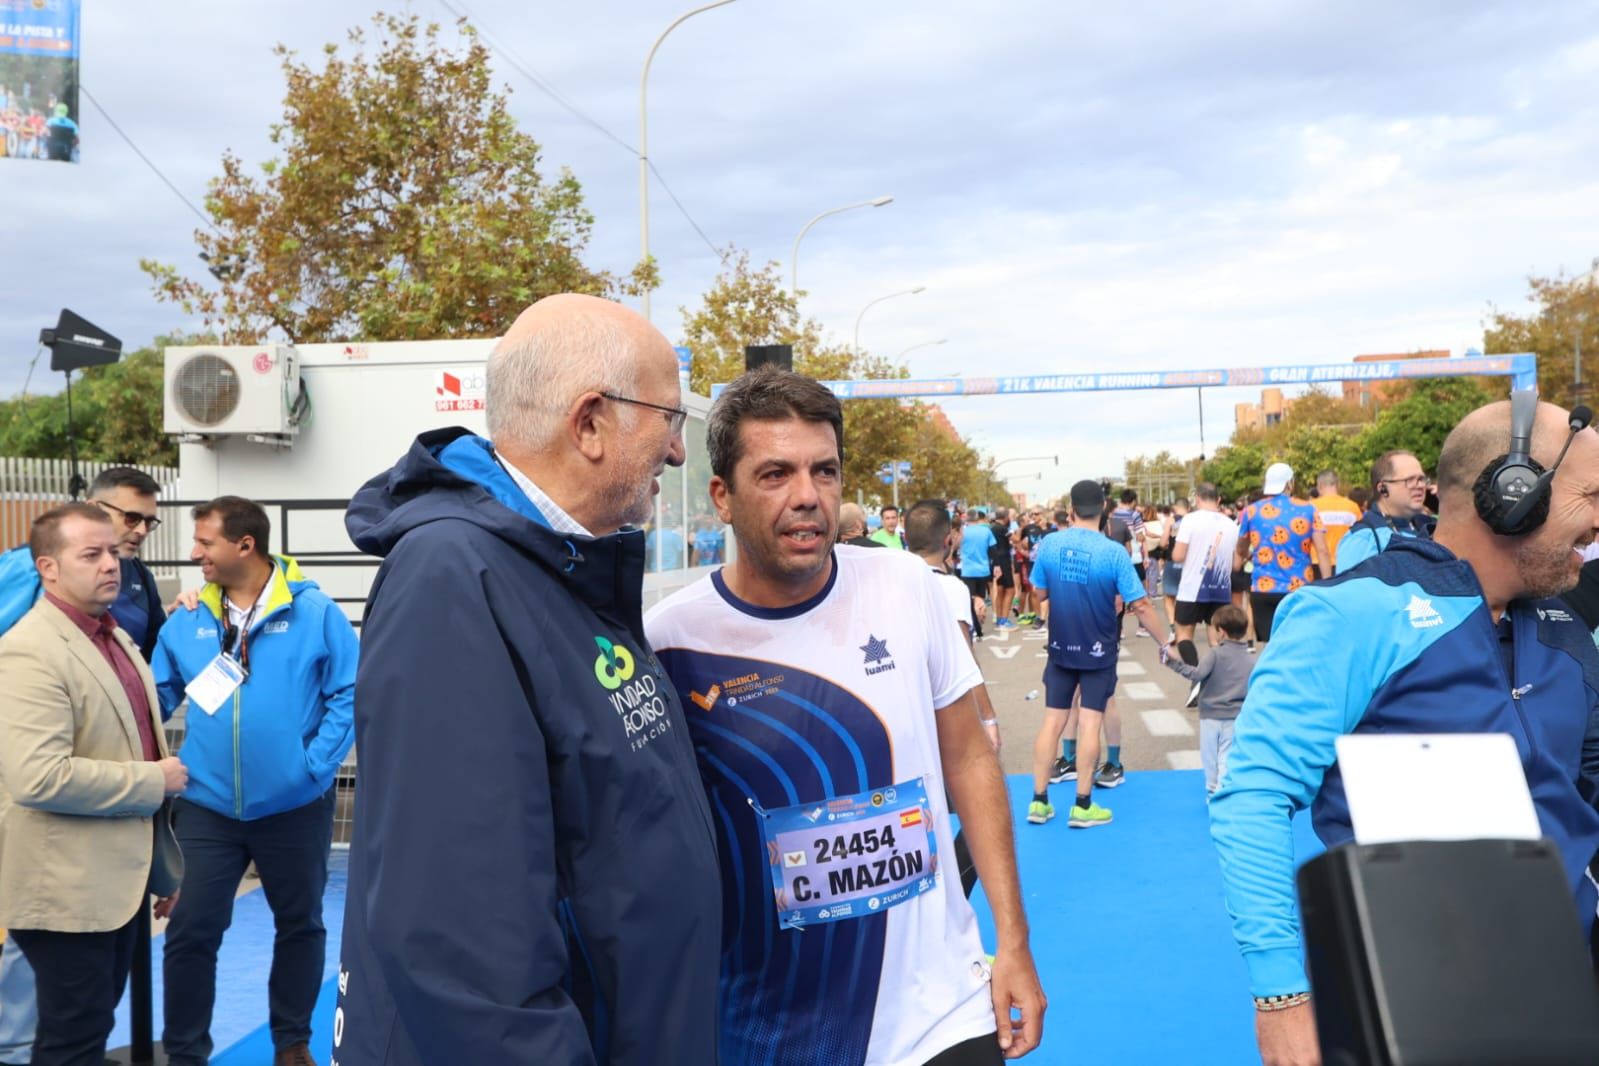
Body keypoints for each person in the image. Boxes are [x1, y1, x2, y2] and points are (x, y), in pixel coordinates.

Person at [334, 294, 721, 1065]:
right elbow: (458, 946)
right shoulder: (454, 579)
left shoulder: (560, 566)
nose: (678, 453)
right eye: (668, 421)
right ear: (589, 423)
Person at [645, 367, 1045, 1066]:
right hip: (773, 1033)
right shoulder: (668, 642)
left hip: (941, 1016)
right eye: (774, 474)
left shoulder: (907, 585)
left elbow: (970, 756)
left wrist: (1012, 941)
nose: (807, 497)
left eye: (823, 471)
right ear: (722, 498)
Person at [1210, 398, 1599, 1066]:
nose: (1597, 524)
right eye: (1588, 495)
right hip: (1418, 1009)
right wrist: (1281, 996)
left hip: (1572, 991)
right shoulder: (1352, 614)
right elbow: (1253, 796)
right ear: (1513, 495)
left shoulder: (1563, 628)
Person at [151, 496, 357, 1066]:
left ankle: (291, 1043)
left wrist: (312, 768)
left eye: (205, 543)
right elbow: (152, 698)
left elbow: (350, 690)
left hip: (295, 805)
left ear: (246, 545)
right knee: (191, 929)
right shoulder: (189, 618)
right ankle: (186, 1052)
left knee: (300, 924)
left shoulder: (315, 612)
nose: (195, 554)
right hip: (206, 805)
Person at [0, 503, 187, 1066]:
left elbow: (132, 743)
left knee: (86, 1030)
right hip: (65, 892)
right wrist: (154, 780)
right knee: (71, 1041)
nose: (111, 565)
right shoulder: (30, 652)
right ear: (48, 568)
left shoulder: (116, 640)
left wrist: (162, 869)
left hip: (114, 888)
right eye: (92, 554)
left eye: (114, 552)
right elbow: (39, 776)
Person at [1029, 484, 1164, 828]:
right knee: (1090, 722)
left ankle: (1040, 802)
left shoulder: (1049, 544)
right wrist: (1166, 641)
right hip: (1098, 648)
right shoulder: (1114, 552)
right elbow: (1142, 605)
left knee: (1052, 723)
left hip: (1060, 646)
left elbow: (1039, 591)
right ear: (1103, 508)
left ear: (1071, 508)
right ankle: (1083, 805)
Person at [1234, 463, 1330, 648]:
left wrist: (1244, 556)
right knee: (1299, 644)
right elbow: (1323, 551)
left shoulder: (1252, 511)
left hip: (1263, 588)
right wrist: (1327, 583)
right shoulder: (1309, 509)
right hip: (1299, 589)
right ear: (1290, 484)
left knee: (1272, 647)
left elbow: (1241, 547)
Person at [1159, 604, 1250, 794]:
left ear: (1221, 632)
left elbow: (1197, 674)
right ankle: (1223, 788)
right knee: (1226, 754)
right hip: (1236, 714)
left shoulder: (1215, 654)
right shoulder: (1249, 658)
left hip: (1211, 714)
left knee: (1209, 755)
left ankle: (1211, 788)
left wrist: (1172, 663)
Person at [1335, 450, 1435, 573]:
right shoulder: (1363, 537)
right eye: (1409, 480)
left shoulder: (1430, 527)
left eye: (1421, 479)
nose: (1420, 485)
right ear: (1383, 488)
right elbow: (1348, 589)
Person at [1171, 484, 1238, 656]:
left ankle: (1196, 677)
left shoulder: (1190, 520)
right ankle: (1218, 677)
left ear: (1197, 499)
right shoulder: (1231, 524)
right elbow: (1235, 562)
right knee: (1217, 639)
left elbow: (1178, 555)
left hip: (1191, 588)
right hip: (1221, 588)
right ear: (1219, 500)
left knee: (1184, 636)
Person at [958, 509, 999, 640]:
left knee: (970, 600)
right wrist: (996, 566)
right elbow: (993, 551)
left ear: (966, 519)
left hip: (967, 571)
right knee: (981, 599)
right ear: (977, 518)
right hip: (983, 570)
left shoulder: (962, 532)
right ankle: (979, 624)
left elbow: (955, 548)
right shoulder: (986, 531)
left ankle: (976, 628)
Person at [1309, 470, 1361, 572]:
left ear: (1319, 485)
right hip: (1345, 563)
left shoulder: (1310, 507)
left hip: (1317, 563)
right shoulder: (1352, 507)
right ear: (1338, 485)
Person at [990, 507, 1017, 628]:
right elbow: (1016, 539)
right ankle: (1004, 620)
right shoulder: (1002, 528)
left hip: (995, 560)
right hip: (1003, 560)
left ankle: (999, 618)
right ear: (1006, 517)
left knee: (1000, 590)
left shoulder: (992, 528)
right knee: (1011, 590)